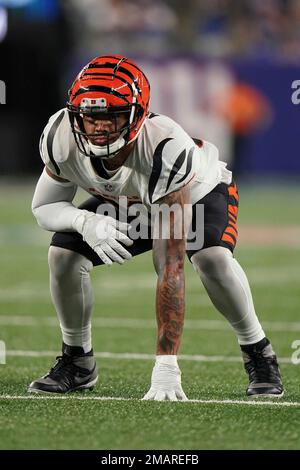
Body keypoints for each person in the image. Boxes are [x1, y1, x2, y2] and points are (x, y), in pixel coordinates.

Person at [29, 55, 283, 400]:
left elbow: (171, 265)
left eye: (112, 116)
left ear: (137, 115)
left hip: (195, 191)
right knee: (63, 256)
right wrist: (83, 220)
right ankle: (78, 362)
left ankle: (258, 351)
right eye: (91, 117)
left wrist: (166, 365)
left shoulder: (166, 148)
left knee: (211, 260)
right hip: (129, 198)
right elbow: (44, 207)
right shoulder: (60, 137)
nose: (99, 127)